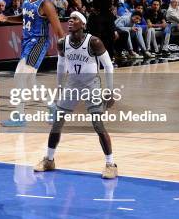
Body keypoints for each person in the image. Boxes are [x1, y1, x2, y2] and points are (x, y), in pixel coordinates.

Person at [34, 11, 118, 179]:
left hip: (90, 84)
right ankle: (49, 160)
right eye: (70, 19)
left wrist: (109, 91)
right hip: (72, 84)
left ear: (83, 24)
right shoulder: (62, 43)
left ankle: (111, 164)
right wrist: (59, 88)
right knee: (57, 123)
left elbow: (108, 66)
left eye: (75, 19)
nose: (70, 21)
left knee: (98, 124)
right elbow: (60, 65)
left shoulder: (94, 42)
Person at [0, 0, 64, 126]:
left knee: (19, 77)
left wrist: (64, 48)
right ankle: (53, 108)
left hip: (38, 42)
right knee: (31, 80)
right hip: (27, 42)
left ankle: (20, 117)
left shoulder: (46, 4)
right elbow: (23, 17)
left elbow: (58, 27)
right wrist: (6, 18)